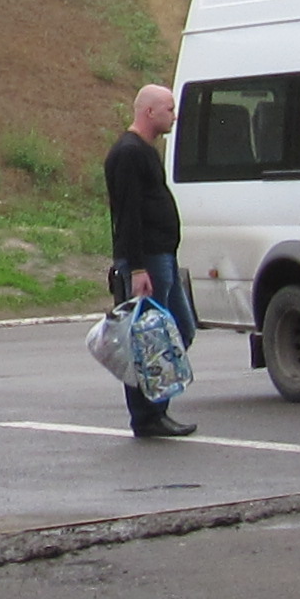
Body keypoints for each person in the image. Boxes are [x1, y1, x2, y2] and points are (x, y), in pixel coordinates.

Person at [101, 83, 193, 438]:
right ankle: (147, 416)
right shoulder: (128, 153)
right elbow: (128, 215)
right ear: (149, 111)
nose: (174, 115)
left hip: (163, 256)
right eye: (169, 108)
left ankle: (157, 406)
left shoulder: (147, 151)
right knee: (146, 340)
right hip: (147, 261)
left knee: (179, 330)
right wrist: (137, 267)